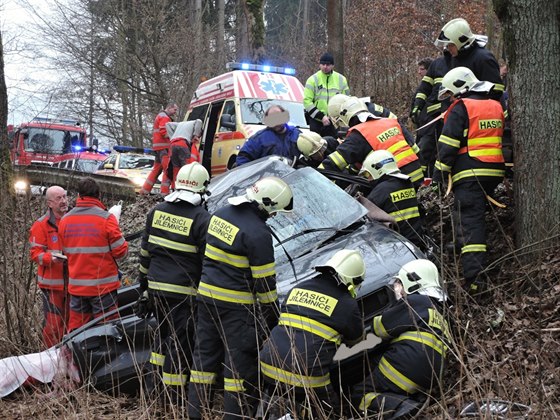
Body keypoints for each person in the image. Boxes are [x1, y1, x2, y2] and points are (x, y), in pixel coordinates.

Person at [188, 177, 294, 420]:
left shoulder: (220, 214)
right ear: (266, 204)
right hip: (236, 310)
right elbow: (265, 285)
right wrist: (272, 318)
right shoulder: (258, 233)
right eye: (274, 211)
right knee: (238, 367)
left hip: (206, 300)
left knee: (203, 360)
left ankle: (194, 414)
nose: (273, 216)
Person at [136, 162, 211, 407]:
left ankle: (151, 391)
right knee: (179, 346)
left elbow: (145, 255)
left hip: (156, 291)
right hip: (184, 295)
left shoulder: (156, 211)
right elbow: (205, 262)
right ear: (201, 189)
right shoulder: (202, 218)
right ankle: (173, 400)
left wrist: (143, 289)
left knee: (160, 342)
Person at [259, 249, 364, 418]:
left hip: (267, 365)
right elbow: (356, 341)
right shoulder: (346, 304)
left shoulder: (298, 288)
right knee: (329, 412)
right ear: (352, 281)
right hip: (307, 377)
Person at [433, 67, 505, 294]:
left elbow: (448, 145)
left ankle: (476, 280)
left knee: (471, 221)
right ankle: (460, 244)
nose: (451, 99)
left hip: (469, 171)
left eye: (451, 94)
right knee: (466, 210)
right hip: (493, 170)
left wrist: (439, 174)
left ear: (459, 89)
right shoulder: (495, 104)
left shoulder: (462, 108)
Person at [352, 259, 450, 417]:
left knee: (359, 394)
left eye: (399, 282)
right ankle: (408, 400)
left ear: (412, 283)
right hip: (432, 374)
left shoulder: (414, 301)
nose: (396, 287)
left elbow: (380, 328)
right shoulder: (438, 312)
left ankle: (403, 406)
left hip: (406, 364)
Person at [59, 178, 128, 331]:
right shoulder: (106, 219)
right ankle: (105, 356)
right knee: (107, 331)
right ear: (98, 195)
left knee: (77, 332)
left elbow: (65, 251)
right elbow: (121, 251)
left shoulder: (64, 220)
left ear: (78, 195)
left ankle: (76, 355)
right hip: (103, 288)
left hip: (77, 287)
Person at [321, 95, 424, 189]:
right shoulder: (390, 122)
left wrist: (314, 175)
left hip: (395, 183)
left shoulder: (358, 135)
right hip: (417, 177)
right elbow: (415, 149)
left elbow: (333, 162)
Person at [359, 150, 425, 250]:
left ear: (377, 169)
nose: (368, 179)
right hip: (415, 242)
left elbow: (364, 215)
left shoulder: (382, 190)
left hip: (396, 246)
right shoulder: (407, 183)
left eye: (368, 175)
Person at [29, 186, 69, 348]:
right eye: (59, 198)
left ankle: (70, 361)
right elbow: (35, 254)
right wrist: (50, 258)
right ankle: (50, 359)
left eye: (65, 197)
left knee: (72, 325)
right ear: (50, 203)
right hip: (52, 285)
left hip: (74, 282)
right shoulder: (40, 225)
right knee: (53, 326)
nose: (64, 201)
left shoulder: (73, 218)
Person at [434, 18, 504, 100]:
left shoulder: (483, 58)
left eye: (451, 45)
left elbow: (497, 90)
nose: (448, 49)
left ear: (462, 40)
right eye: (447, 46)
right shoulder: (455, 59)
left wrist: (471, 99)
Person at [410, 51, 452, 177]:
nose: (419, 72)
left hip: (438, 119)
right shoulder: (438, 64)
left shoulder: (463, 63)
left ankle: (430, 177)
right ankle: (424, 177)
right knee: (424, 148)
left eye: (422, 69)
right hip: (428, 119)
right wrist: (417, 107)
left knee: (431, 149)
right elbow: (423, 90)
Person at [236, 105, 301, 167]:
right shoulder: (259, 139)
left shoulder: (297, 134)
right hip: (269, 177)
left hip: (293, 176)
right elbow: (243, 158)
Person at [303, 52, 350, 137]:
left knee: (332, 146)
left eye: (328, 64)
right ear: (319, 65)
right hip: (316, 120)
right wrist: (321, 117)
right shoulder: (312, 80)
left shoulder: (341, 80)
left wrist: (339, 118)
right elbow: (307, 102)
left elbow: (347, 101)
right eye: (323, 64)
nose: (325, 66)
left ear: (333, 66)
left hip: (334, 122)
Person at [140, 102, 179, 195]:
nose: (175, 112)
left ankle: (144, 192)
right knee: (168, 169)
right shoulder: (164, 117)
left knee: (156, 170)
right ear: (169, 108)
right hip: (164, 148)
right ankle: (164, 193)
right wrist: (174, 137)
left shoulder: (160, 116)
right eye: (175, 110)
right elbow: (164, 131)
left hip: (158, 148)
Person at [167, 119, 203, 188]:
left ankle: (175, 188)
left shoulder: (180, 124)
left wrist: (172, 137)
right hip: (182, 144)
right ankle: (185, 188)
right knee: (186, 168)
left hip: (173, 144)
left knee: (176, 167)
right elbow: (199, 121)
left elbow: (168, 124)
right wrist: (195, 135)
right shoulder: (194, 123)